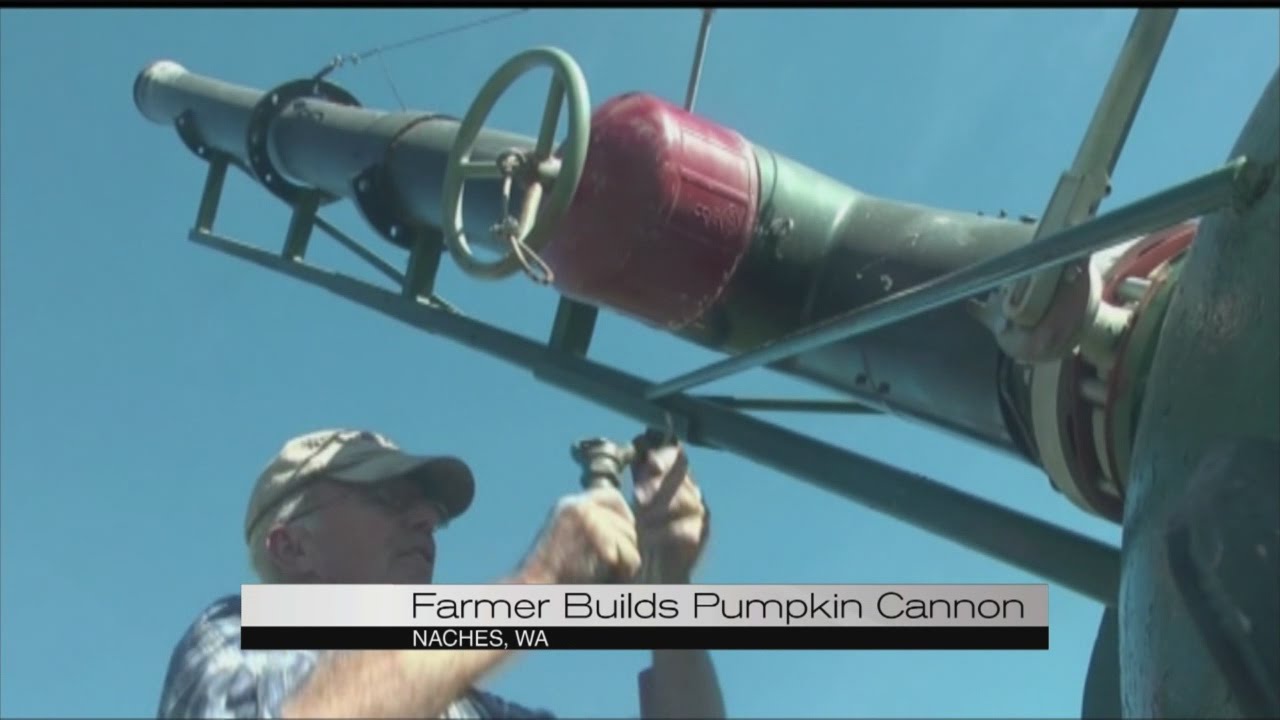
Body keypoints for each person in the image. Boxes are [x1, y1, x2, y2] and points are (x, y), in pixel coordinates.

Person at [156, 428, 725, 719]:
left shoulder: (469, 704)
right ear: (292, 547)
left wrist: (670, 588)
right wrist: (541, 581)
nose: (426, 519)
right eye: (387, 498)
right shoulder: (237, 635)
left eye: (427, 510)